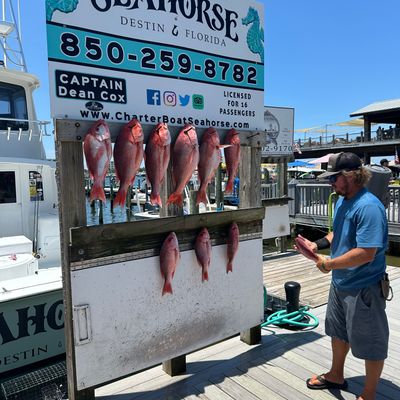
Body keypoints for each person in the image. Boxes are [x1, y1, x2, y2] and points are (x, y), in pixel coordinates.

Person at [299, 152, 389, 400]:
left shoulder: (369, 207)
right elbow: (337, 232)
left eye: (334, 178)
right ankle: (335, 375)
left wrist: (329, 264)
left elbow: (366, 253)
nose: (330, 183)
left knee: (372, 342)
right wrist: (317, 245)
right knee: (338, 332)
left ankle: (368, 394)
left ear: (351, 176)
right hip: (340, 282)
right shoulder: (342, 200)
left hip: (364, 287)